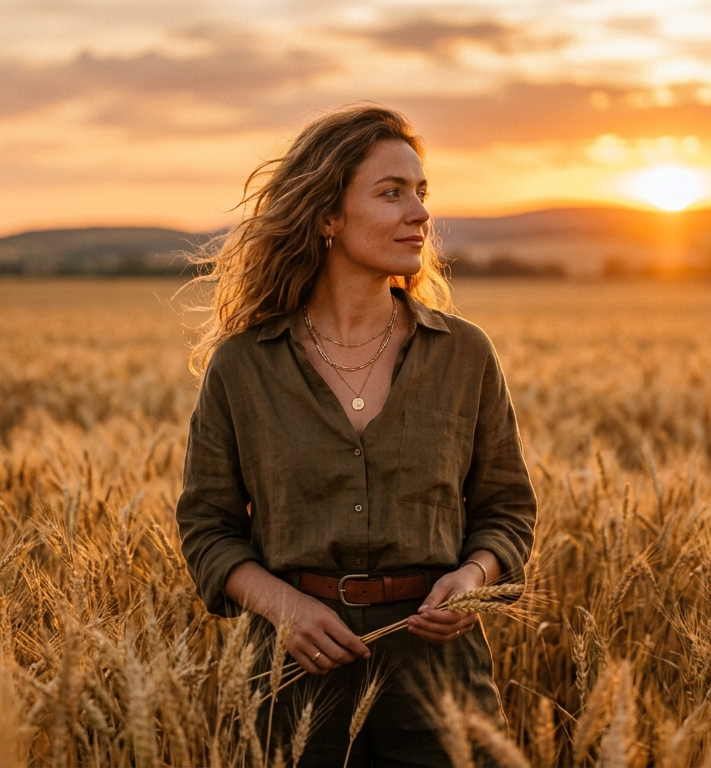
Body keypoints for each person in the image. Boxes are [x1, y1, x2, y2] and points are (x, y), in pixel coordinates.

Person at [175, 105, 537, 767]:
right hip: (292, 679)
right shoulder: (244, 365)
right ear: (327, 217)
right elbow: (207, 527)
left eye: (422, 194)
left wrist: (474, 578)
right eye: (392, 193)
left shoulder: (464, 355)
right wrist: (283, 606)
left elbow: (508, 512)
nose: (421, 214)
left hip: (440, 680)